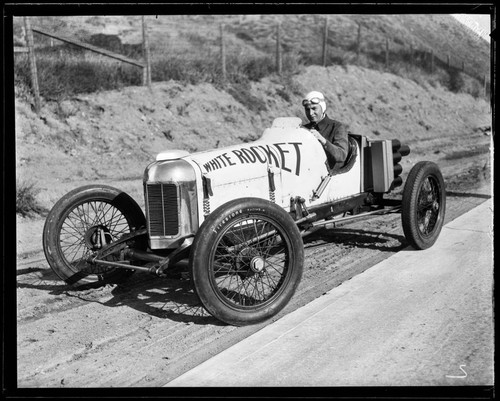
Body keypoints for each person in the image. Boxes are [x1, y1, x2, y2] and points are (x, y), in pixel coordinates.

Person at [301, 91, 350, 170]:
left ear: (322, 108)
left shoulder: (337, 127)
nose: (310, 113)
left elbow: (342, 155)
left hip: (329, 179)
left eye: (314, 108)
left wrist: (323, 140)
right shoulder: (303, 129)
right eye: (307, 109)